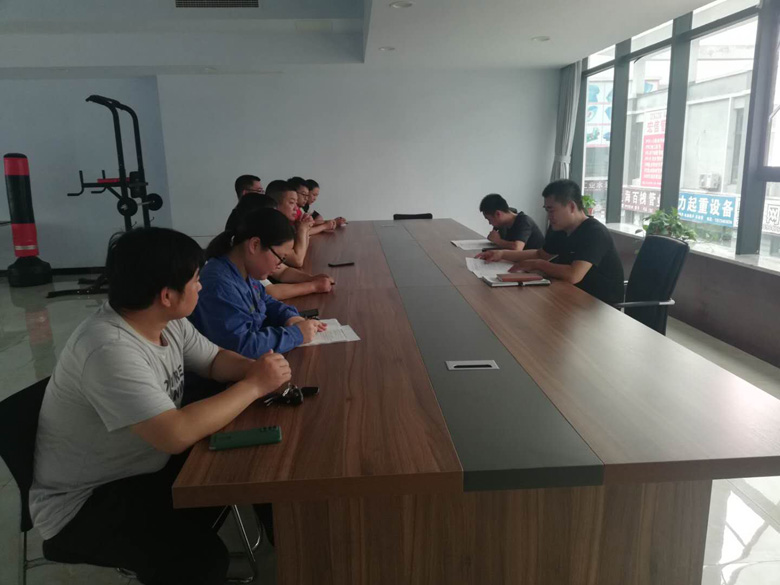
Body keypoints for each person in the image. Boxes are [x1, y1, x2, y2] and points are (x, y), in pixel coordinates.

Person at [31, 227, 292, 585]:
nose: (201, 287)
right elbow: (175, 434)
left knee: (254, 465)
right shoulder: (108, 349)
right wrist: (255, 385)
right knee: (201, 561)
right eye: (196, 280)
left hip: (143, 464)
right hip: (86, 504)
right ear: (167, 295)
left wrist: (258, 370)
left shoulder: (165, 321)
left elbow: (214, 360)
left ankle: (294, 551)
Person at [191, 207, 326, 358]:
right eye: (280, 258)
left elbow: (265, 301)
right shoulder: (219, 284)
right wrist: (296, 334)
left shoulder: (246, 273)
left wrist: (290, 317)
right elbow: (242, 346)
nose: (279, 265)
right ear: (254, 245)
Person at [477, 180, 624, 305]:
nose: (549, 216)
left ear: (571, 207)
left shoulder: (594, 232)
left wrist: (537, 264)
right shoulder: (559, 229)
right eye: (547, 210)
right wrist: (501, 254)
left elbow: (574, 275)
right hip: (569, 295)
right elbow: (541, 254)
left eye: (551, 210)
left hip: (599, 305)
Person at [229, 193, 335, 300]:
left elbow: (283, 272)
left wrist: (311, 278)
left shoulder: (255, 255)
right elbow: (270, 292)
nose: (296, 208)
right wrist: (314, 286)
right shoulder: (248, 262)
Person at [265, 179, 313, 268]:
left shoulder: (286, 224)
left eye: (296, 203)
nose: (296, 208)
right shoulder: (271, 228)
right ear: (275, 205)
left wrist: (305, 227)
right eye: (291, 203)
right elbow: (298, 261)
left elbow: (302, 251)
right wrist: (302, 230)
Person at [479, 193, 545, 251]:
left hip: (535, 260)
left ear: (498, 214)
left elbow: (517, 248)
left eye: (489, 219)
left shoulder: (524, 221)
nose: (490, 223)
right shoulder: (503, 225)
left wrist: (498, 241)